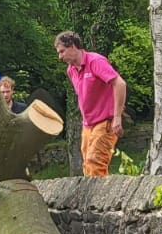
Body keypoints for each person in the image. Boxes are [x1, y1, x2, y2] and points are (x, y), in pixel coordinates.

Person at [54, 31, 127, 176]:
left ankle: (101, 192)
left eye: (62, 51)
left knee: (95, 164)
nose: (60, 57)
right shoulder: (71, 70)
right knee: (87, 166)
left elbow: (120, 84)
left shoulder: (95, 61)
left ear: (73, 46)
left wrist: (117, 117)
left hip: (105, 122)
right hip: (88, 125)